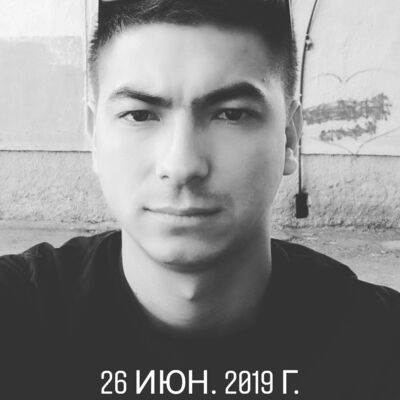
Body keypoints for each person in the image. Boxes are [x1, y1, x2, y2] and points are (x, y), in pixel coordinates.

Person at [1, 0, 399, 399]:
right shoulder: (18, 312)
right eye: (140, 115)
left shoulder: (380, 347)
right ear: (94, 137)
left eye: (231, 114)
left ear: (290, 138)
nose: (182, 165)